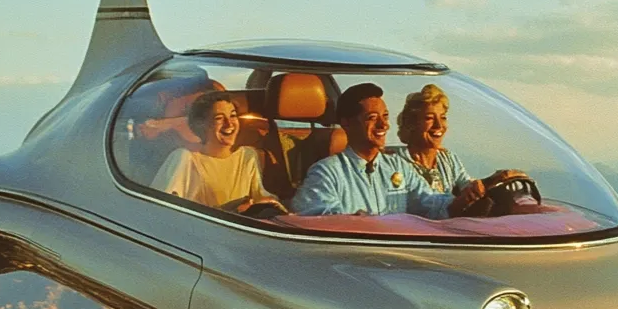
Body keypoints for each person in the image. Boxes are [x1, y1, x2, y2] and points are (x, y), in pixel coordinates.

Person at [290, 83, 485, 217]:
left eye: (385, 116)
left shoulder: (398, 167)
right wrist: (352, 221)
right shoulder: (327, 172)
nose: (384, 125)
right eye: (372, 118)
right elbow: (313, 217)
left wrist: (465, 199)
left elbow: (433, 205)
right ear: (347, 123)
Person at [152, 91, 284, 213]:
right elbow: (159, 210)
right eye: (219, 118)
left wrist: (269, 204)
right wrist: (230, 210)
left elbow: (260, 195)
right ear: (201, 125)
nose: (229, 124)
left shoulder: (248, 156)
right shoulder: (184, 158)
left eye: (233, 116)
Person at [391, 83, 479, 195]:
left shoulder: (448, 159)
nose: (439, 125)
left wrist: (494, 180)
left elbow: (467, 186)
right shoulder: (395, 162)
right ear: (410, 123)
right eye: (429, 118)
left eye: (443, 118)